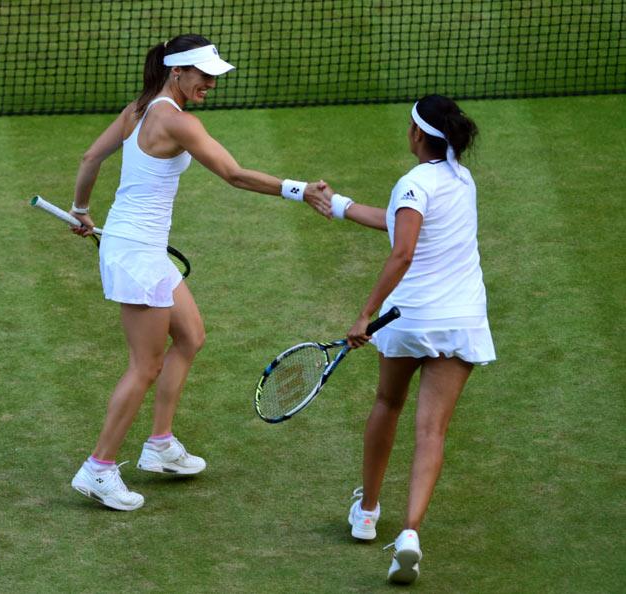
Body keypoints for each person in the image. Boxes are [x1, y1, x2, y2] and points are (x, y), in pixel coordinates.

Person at [68, 34, 331, 511]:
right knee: (144, 365)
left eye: (214, 75)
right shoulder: (176, 121)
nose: (211, 83)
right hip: (137, 254)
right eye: (203, 75)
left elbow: (91, 158)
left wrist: (80, 209)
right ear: (177, 73)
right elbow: (233, 174)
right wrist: (299, 190)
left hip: (137, 247)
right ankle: (98, 469)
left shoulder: (138, 109)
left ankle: (160, 445)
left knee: (190, 336)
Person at [322, 95, 495, 584]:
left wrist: (364, 314)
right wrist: (338, 205)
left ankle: (369, 512)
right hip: (460, 320)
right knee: (431, 431)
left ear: (418, 136)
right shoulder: (462, 179)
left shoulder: (413, 183)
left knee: (387, 404)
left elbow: (402, 251)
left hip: (409, 317)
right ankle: (411, 533)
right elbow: (398, 218)